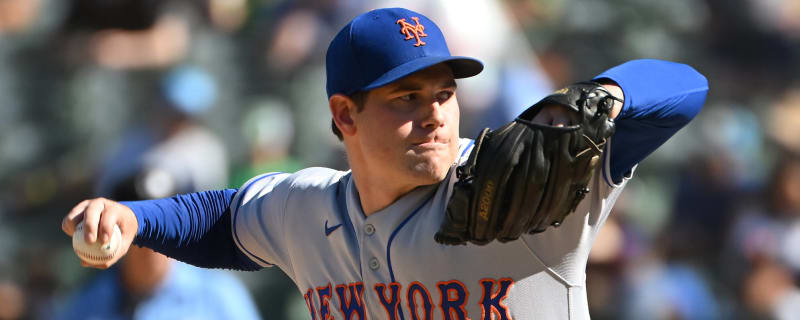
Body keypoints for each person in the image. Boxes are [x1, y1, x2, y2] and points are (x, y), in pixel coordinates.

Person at [61, 7, 708, 319]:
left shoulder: (526, 183)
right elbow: (221, 218)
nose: (434, 114)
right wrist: (133, 218)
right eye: (406, 97)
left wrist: (608, 97)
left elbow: (684, 89)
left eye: (444, 94)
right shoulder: (307, 209)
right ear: (344, 115)